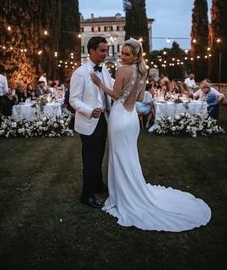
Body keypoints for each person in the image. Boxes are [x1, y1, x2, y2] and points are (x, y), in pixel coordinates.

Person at [91, 38, 211, 232]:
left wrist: (99, 84)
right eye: (121, 53)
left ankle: (123, 197)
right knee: (128, 156)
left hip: (120, 117)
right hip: (131, 119)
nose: (122, 56)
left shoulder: (122, 69)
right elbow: (139, 98)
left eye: (126, 54)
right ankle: (131, 191)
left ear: (135, 55)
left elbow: (114, 95)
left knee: (119, 157)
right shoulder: (141, 71)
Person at [70, 36, 114, 208]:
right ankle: (86, 194)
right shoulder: (80, 73)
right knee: (90, 159)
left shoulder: (104, 71)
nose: (106, 53)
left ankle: (97, 183)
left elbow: (112, 86)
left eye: (106, 50)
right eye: (102, 50)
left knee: (99, 155)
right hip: (89, 121)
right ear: (91, 51)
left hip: (104, 120)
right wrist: (89, 111)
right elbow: (73, 100)